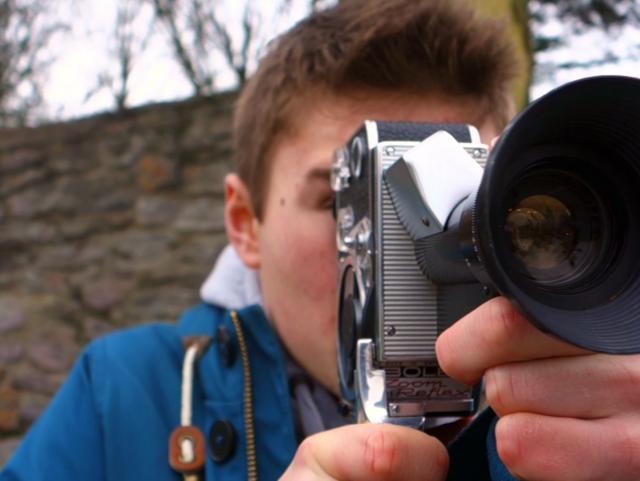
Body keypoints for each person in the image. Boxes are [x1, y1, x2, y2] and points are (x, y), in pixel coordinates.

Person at [3, 0, 640, 480]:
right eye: (346, 201)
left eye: (464, 201)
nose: (417, 253)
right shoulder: (122, 394)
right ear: (245, 223)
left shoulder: (598, 404)